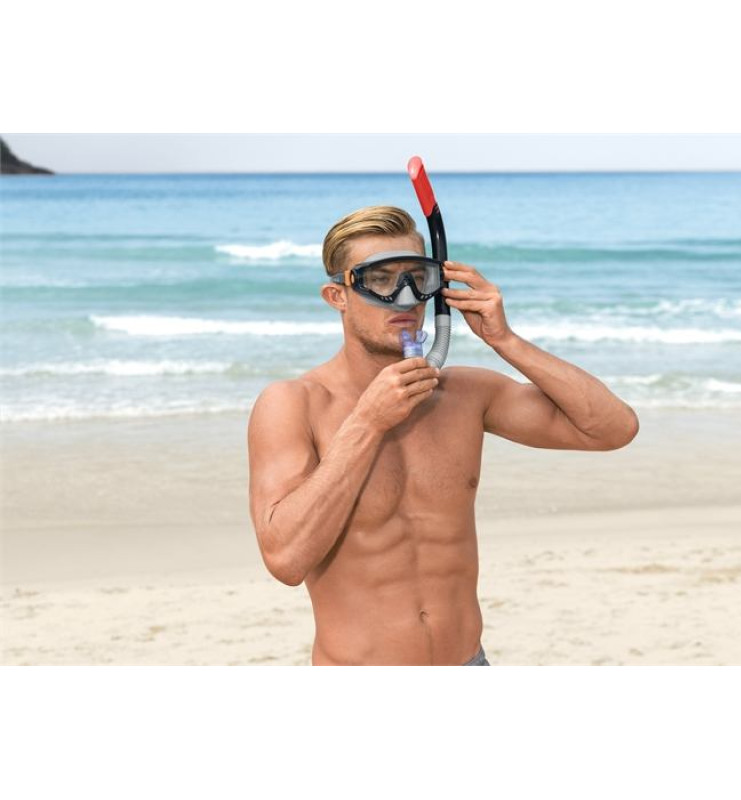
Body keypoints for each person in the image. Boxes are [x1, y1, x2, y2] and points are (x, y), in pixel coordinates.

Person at [247, 206, 639, 666]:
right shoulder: (294, 404)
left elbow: (613, 428)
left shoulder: (465, 395)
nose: (405, 298)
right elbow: (286, 560)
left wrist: (505, 340)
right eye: (380, 280)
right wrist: (368, 422)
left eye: (419, 278)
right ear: (338, 295)